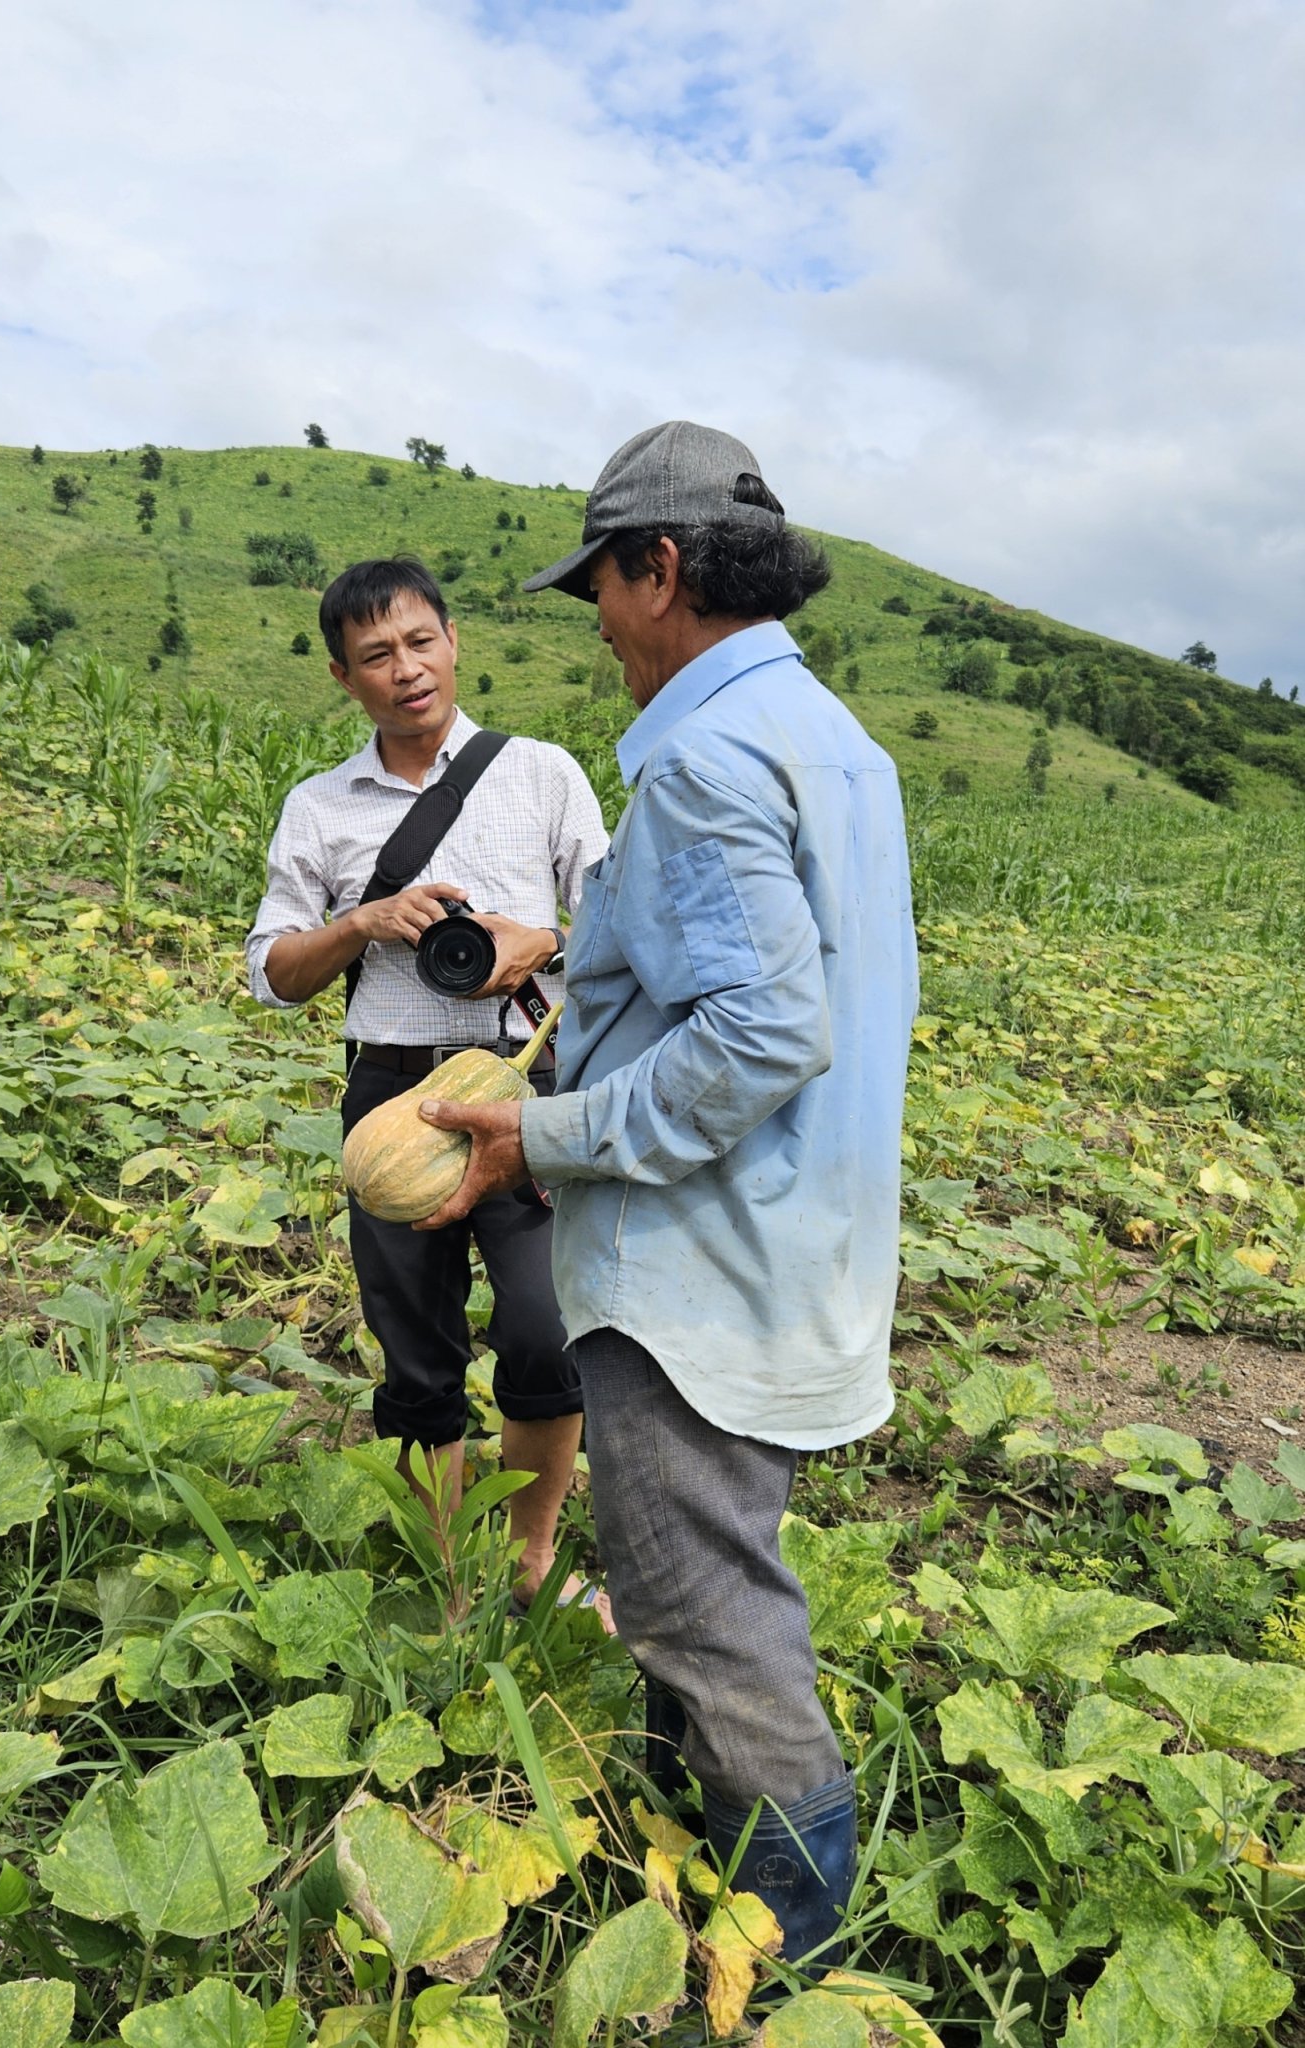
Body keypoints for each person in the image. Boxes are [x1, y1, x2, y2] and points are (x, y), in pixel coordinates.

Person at [414, 422, 918, 1965]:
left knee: (706, 1614)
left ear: (665, 567)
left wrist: (539, 1143)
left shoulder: (701, 756)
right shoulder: (829, 741)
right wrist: (575, 963)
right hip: (798, 1243)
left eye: (606, 593)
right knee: (693, 1575)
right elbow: (780, 981)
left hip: (704, 1261)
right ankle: (690, 1875)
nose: (603, 629)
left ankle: (792, 1961)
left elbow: (763, 1028)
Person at [245, 556, 609, 1609]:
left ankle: (530, 1557)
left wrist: (536, 937)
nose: (405, 669)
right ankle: (451, 1574)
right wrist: (362, 921)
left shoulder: (542, 773)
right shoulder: (318, 808)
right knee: (416, 1351)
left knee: (545, 1329)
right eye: (375, 656)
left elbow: (626, 934)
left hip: (521, 1087)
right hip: (392, 1093)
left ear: (452, 639)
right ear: (341, 677)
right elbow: (272, 973)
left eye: (418, 642)